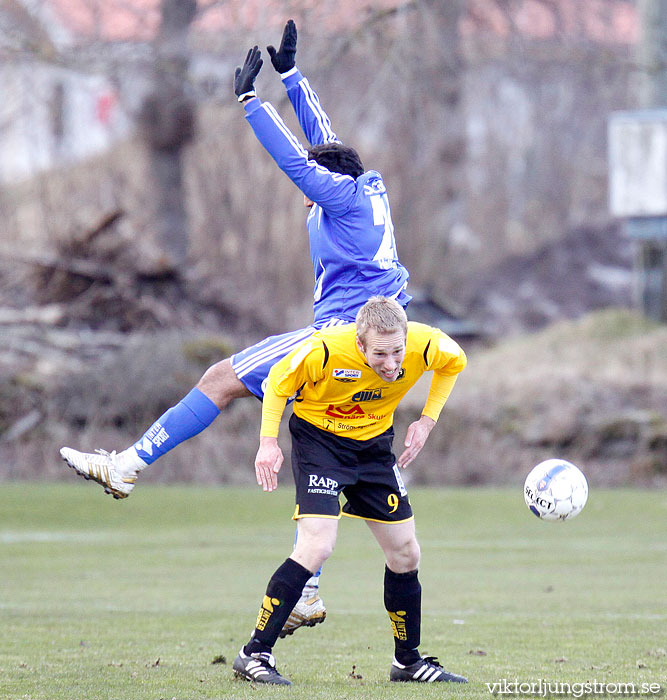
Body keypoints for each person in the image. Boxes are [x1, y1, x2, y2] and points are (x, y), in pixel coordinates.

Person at [59, 22, 410, 637]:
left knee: (220, 379)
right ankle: (310, 588)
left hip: (341, 337)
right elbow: (326, 141)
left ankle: (128, 465)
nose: (307, 204)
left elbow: (299, 163)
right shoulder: (364, 186)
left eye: (313, 195)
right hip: (370, 342)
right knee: (315, 427)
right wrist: (294, 77)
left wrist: (252, 102)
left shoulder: (338, 199)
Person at [232, 296, 468, 686]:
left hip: (374, 448)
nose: (391, 364)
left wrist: (426, 421)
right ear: (360, 344)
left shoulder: (427, 344)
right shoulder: (323, 350)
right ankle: (254, 653)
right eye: (380, 354)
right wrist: (268, 442)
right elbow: (276, 383)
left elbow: (454, 362)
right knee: (316, 546)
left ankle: (407, 663)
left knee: (406, 552)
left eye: (397, 352)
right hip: (320, 446)